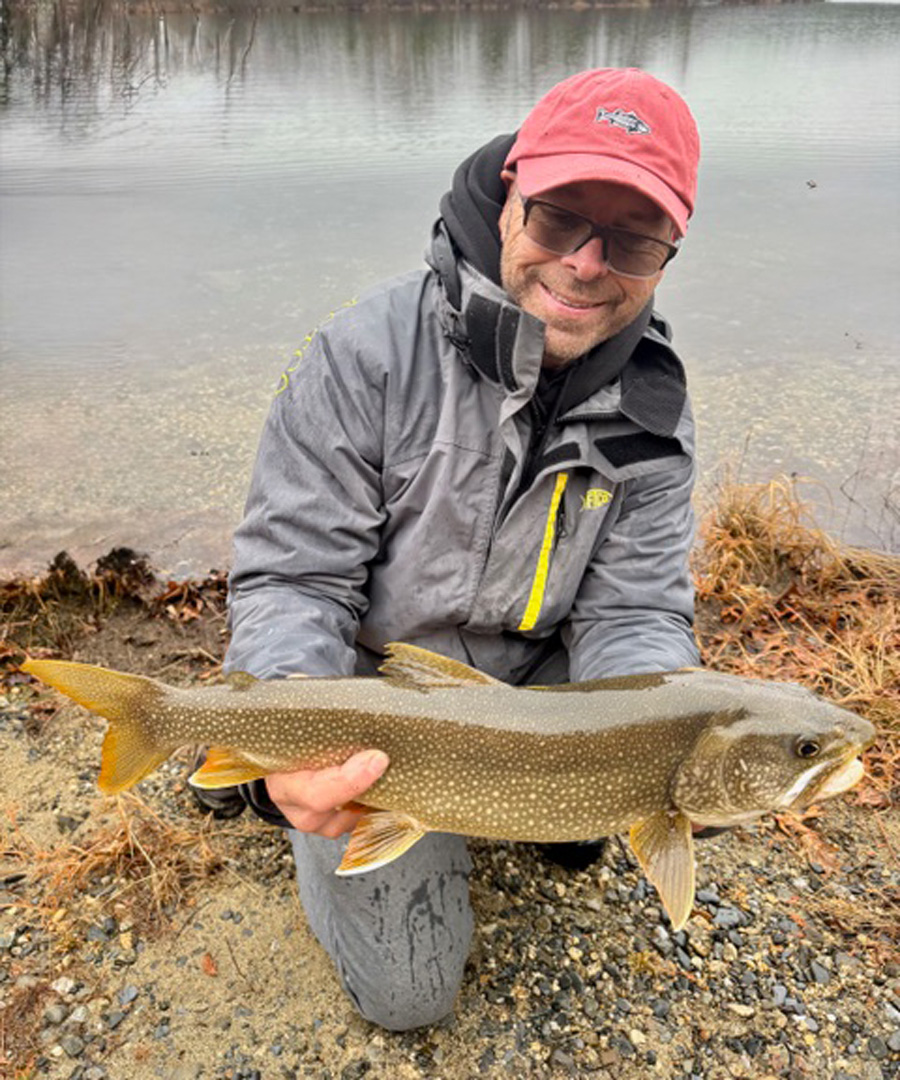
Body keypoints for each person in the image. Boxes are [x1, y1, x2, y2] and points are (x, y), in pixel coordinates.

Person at [216, 67, 702, 1031]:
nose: (586, 263)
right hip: (378, 704)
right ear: (511, 197)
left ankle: (548, 809)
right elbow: (296, 579)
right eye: (560, 219)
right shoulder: (365, 354)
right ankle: (249, 767)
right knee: (408, 999)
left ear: (666, 256)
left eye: (634, 239)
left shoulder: (656, 410)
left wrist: (668, 751)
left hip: (531, 694)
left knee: (599, 811)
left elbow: (635, 612)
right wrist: (288, 733)